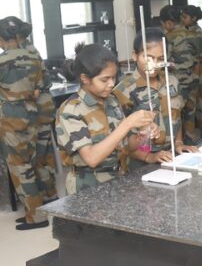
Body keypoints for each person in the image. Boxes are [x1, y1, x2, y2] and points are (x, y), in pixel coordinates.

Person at [55, 44, 155, 194]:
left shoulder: (112, 101)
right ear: (85, 79)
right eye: (104, 79)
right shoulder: (71, 110)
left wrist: (143, 135)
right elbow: (92, 158)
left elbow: (127, 146)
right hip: (88, 186)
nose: (111, 84)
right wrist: (127, 124)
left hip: (120, 178)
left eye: (114, 77)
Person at [113, 28, 197, 171]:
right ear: (135, 56)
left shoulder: (172, 81)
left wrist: (178, 143)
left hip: (170, 157)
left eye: (161, 59)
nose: (154, 64)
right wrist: (149, 157)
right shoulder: (123, 91)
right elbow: (118, 141)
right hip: (139, 162)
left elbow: (176, 116)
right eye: (148, 58)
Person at [0, 17, 48, 230]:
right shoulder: (33, 57)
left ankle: (36, 217)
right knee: (31, 163)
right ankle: (34, 211)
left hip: (11, 119)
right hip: (31, 114)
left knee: (20, 168)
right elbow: (39, 86)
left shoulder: (2, 61)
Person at [10, 17, 58, 205]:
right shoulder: (28, 48)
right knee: (41, 157)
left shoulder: (23, 52)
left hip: (36, 110)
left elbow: (29, 88)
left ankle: (45, 201)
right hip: (41, 108)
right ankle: (50, 198)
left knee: (35, 159)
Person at [159, 5, 201, 145]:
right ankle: (191, 142)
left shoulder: (169, 37)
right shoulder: (193, 32)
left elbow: (164, 59)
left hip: (179, 81)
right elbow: (200, 55)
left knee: (177, 113)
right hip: (194, 77)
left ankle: (179, 144)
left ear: (168, 23)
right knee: (190, 112)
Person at [181, 5, 202, 139]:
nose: (182, 19)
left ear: (193, 18)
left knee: (199, 103)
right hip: (198, 69)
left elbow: (196, 57)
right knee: (197, 103)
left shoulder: (196, 33)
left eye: (185, 17)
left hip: (201, 71)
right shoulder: (190, 30)